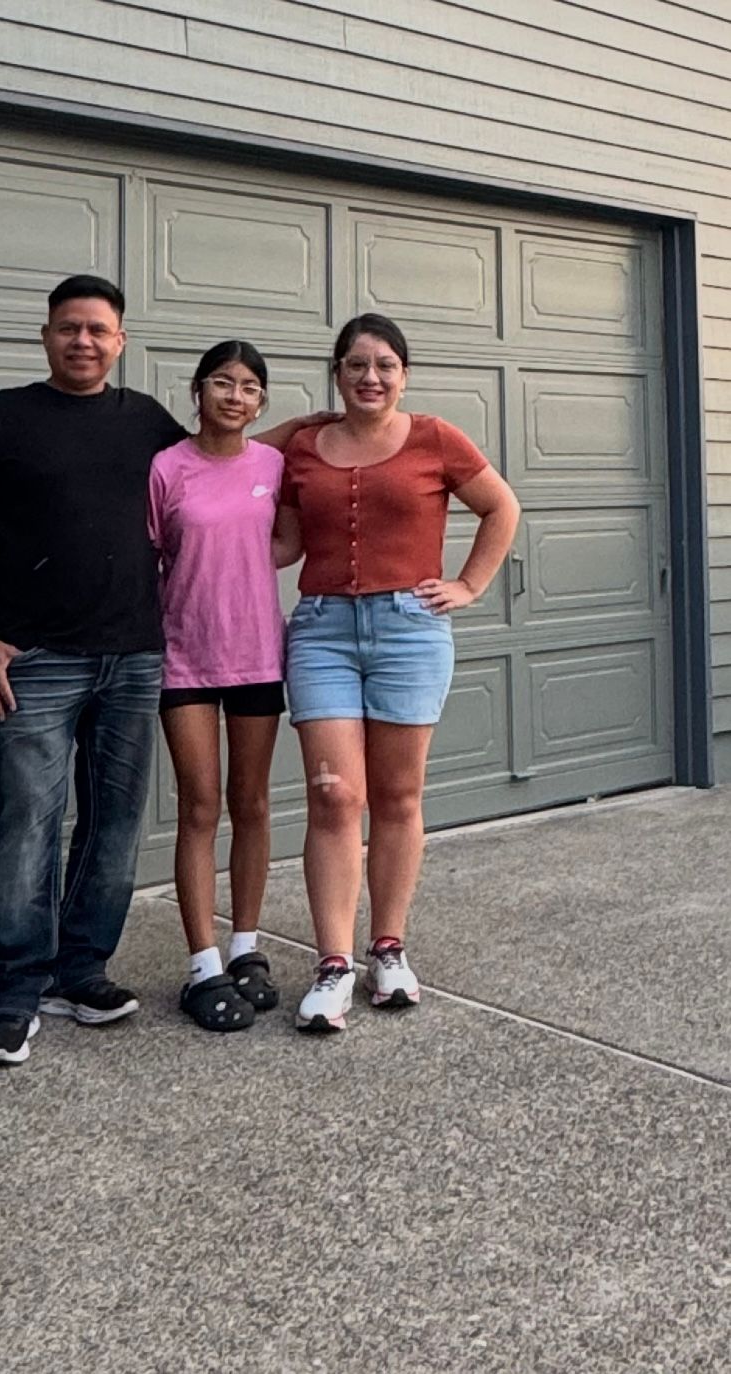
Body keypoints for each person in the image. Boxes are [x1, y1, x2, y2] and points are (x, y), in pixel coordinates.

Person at [0, 276, 328, 1065]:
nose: (83, 341)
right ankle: (13, 993)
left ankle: (81, 970)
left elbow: (227, 453)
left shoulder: (145, 423)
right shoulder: (0, 418)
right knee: (28, 822)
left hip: (135, 656)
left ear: (120, 342)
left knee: (114, 824)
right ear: (46, 334)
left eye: (98, 331)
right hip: (37, 659)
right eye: (69, 328)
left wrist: (315, 425)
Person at [274, 313, 520, 1033]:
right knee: (333, 795)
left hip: (410, 632)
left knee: (398, 794)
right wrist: (292, 424)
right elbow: (278, 533)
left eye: (383, 364)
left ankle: (388, 948)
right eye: (354, 365)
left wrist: (469, 586)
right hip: (320, 630)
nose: (369, 377)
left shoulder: (434, 438)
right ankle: (331, 964)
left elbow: (500, 506)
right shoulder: (301, 446)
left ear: (403, 374)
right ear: (337, 373)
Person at [148, 341, 286, 1032]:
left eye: (250, 387)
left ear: (262, 402)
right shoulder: (166, 468)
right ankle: (202, 963)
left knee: (252, 802)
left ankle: (246, 948)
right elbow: (148, 556)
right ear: (198, 391)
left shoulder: (273, 467)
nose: (235, 395)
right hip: (186, 661)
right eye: (222, 383)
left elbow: (287, 541)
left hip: (259, 655)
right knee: (200, 807)